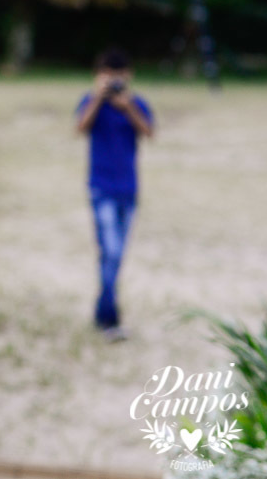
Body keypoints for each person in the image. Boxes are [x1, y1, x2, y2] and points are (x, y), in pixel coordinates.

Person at [75, 47, 153, 341]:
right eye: (108, 76)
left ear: (128, 76)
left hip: (129, 189)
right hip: (101, 188)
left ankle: (102, 310)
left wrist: (127, 107)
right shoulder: (91, 102)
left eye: (119, 76)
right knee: (112, 251)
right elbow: (80, 126)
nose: (114, 81)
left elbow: (149, 131)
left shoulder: (135, 103)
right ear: (98, 77)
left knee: (113, 255)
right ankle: (111, 318)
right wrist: (98, 97)